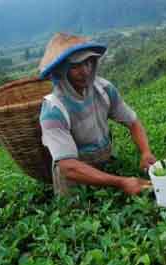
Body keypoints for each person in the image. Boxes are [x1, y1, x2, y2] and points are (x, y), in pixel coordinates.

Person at [38, 32, 156, 196]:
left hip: (106, 164)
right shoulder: (53, 110)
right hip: (76, 180)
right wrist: (121, 182)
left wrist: (145, 152)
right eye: (75, 66)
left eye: (88, 62)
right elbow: (68, 166)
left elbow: (132, 122)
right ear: (60, 71)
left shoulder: (104, 90)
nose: (85, 71)